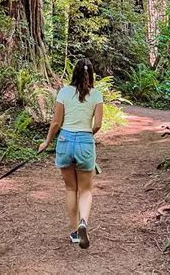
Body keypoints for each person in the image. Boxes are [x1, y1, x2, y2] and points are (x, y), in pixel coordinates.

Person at [38, 58, 103, 249]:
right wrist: (87, 135)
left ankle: (74, 232)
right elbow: (98, 124)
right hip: (84, 141)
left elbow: (56, 123)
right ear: (91, 75)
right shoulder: (96, 95)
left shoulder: (64, 92)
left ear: (73, 73)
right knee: (85, 190)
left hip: (65, 141)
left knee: (70, 189)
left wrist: (47, 142)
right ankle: (84, 221)